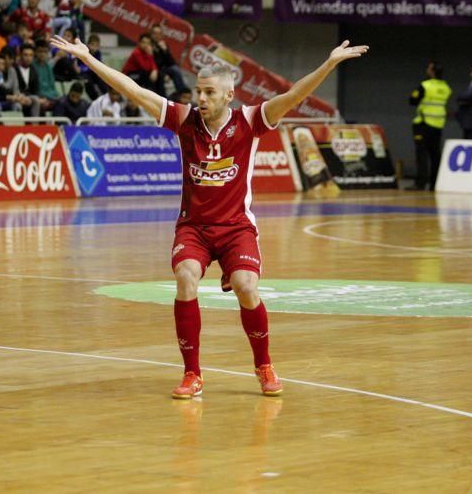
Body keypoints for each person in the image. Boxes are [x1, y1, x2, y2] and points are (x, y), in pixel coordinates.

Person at [50, 34, 368, 398]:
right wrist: (88, 59)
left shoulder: (250, 121)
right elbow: (136, 92)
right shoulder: (184, 119)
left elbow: (293, 96)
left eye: (209, 93)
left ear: (228, 95)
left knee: (247, 288)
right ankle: (192, 374)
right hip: (194, 228)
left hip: (236, 228)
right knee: (186, 278)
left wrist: (328, 64)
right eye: (198, 92)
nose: (200, 99)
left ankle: (264, 365)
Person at [408, 61, 451, 191]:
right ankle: (434, 184)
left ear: (432, 71)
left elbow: (412, 100)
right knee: (435, 154)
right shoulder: (446, 87)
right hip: (438, 124)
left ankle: (420, 183)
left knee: (422, 154)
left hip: (424, 123)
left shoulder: (425, 85)